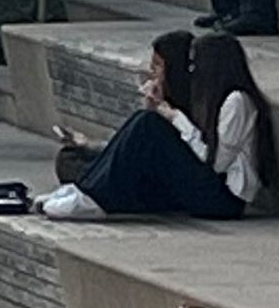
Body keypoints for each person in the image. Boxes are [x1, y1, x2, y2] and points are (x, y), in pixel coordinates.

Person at [39, 26, 259, 222]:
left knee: (147, 124)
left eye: (195, 65)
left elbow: (215, 164)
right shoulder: (208, 99)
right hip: (196, 182)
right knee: (75, 157)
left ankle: (91, 198)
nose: (192, 72)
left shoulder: (237, 102)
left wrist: (171, 116)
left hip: (222, 200)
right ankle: (84, 191)